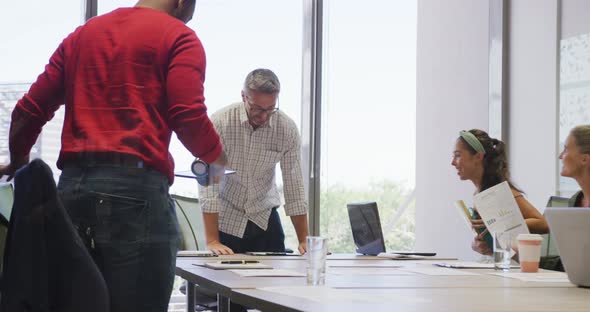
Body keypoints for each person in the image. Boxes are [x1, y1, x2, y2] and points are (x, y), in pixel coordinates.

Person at [0, 1, 227, 311]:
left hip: (71, 194)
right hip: (136, 197)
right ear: (181, 3)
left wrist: (18, 162)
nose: (188, 20)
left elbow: (27, 111)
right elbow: (187, 115)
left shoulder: (81, 37)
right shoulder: (179, 37)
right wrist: (216, 159)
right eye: (189, 13)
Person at [200, 68, 309, 256]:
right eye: (257, 108)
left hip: (265, 218)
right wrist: (212, 240)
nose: (264, 116)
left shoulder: (287, 129)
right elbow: (209, 182)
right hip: (226, 219)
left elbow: (294, 186)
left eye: (270, 109)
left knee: (274, 282)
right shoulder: (221, 122)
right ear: (244, 96)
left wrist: (304, 240)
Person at [451, 129, 548, 255]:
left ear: (478, 157)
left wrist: (499, 224)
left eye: (458, 155)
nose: (453, 162)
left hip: (518, 270)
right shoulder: (479, 194)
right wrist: (478, 245)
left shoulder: (501, 192)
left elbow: (543, 223)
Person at [541, 125, 590, 271]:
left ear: (584, 159)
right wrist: (520, 255)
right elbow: (567, 263)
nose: (560, 156)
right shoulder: (576, 201)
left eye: (566, 149)